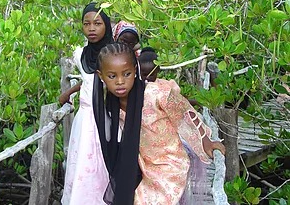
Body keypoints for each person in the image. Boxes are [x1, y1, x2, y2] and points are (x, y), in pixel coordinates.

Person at [93, 43, 225, 205]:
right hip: (143, 165)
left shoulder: (157, 94)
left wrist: (206, 142)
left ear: (135, 70)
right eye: (112, 76)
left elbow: (185, 115)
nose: (120, 81)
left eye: (126, 74)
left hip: (169, 163)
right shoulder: (111, 104)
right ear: (101, 76)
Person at [59, 2, 113, 205]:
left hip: (107, 118)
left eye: (97, 23)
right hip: (85, 119)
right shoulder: (80, 54)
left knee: (103, 166)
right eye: (86, 23)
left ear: (106, 25)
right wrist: (69, 93)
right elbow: (89, 81)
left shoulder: (114, 53)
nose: (91, 28)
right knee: (82, 165)